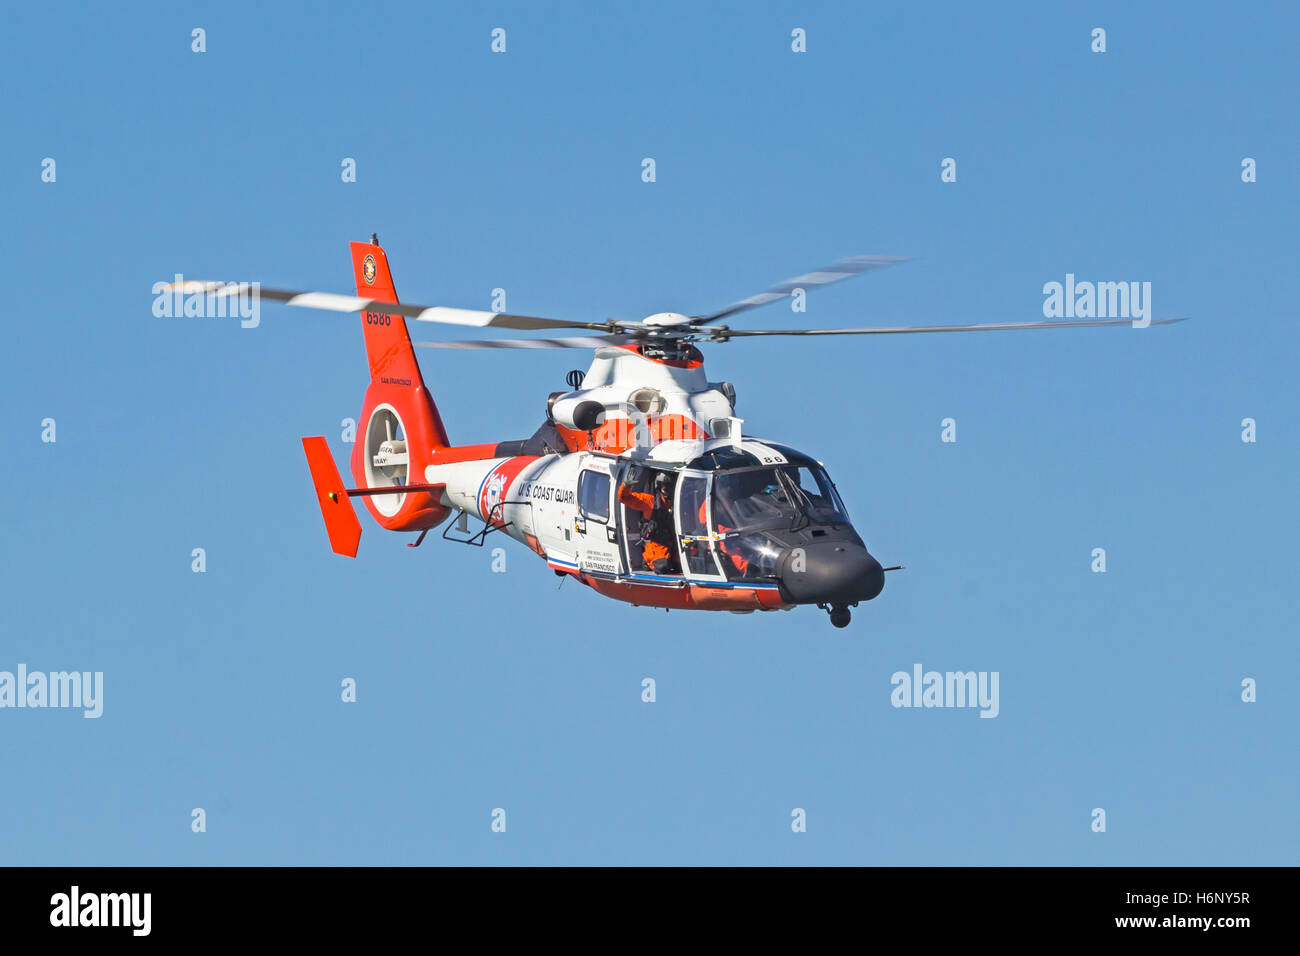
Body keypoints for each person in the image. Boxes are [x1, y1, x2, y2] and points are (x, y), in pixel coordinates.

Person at [618, 469, 678, 573]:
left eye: (668, 485)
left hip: (674, 542)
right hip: (657, 544)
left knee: (689, 562)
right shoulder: (650, 501)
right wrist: (626, 485)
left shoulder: (677, 502)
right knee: (662, 566)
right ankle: (647, 561)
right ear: (658, 486)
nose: (665, 488)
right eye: (663, 485)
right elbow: (623, 498)